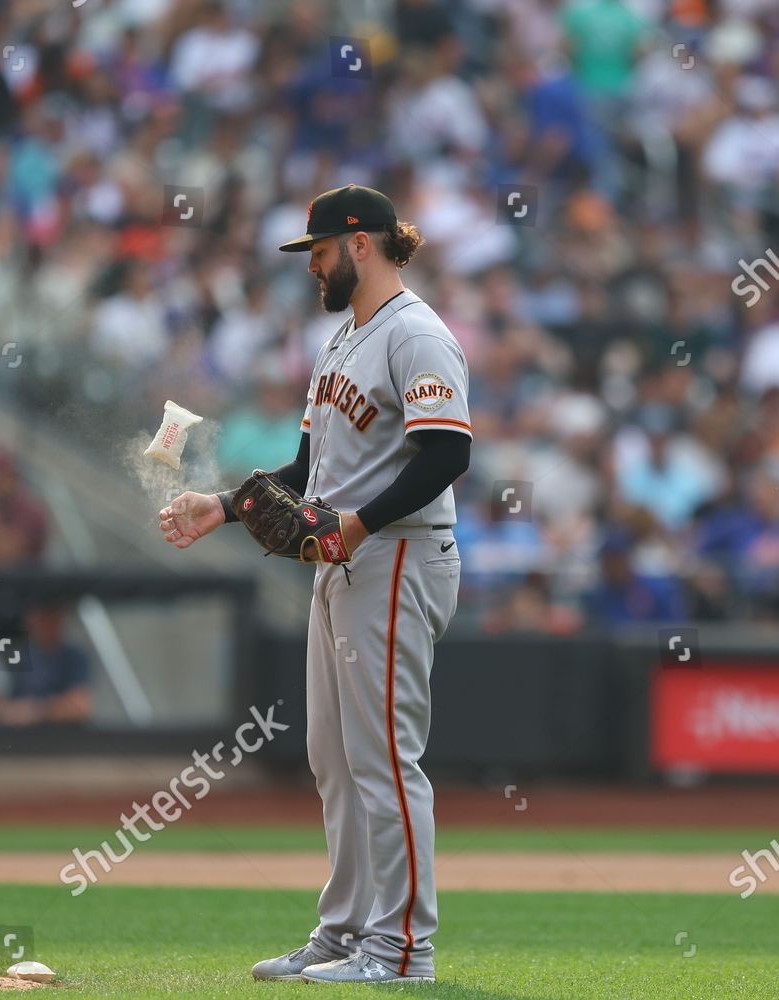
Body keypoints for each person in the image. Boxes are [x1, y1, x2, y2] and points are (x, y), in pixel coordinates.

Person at [158, 185, 468, 984]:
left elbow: (446, 455)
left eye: (320, 251)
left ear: (360, 243)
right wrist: (222, 507)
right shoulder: (341, 344)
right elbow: (305, 474)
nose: (313, 267)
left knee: (385, 760)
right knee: (333, 757)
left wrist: (357, 526)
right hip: (346, 562)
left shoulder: (417, 335)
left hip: (397, 555)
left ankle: (400, 950)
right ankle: (345, 932)